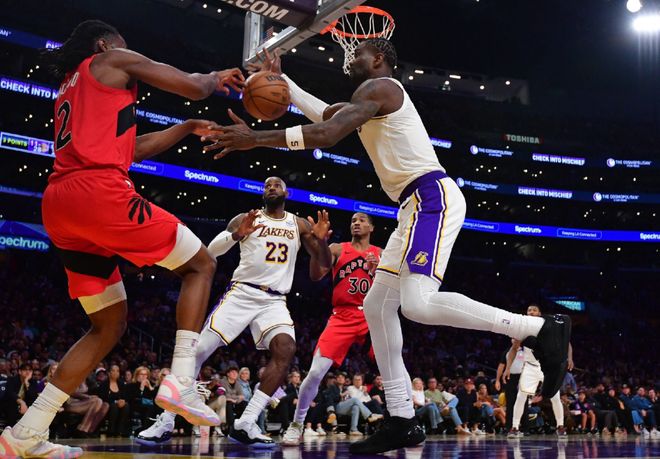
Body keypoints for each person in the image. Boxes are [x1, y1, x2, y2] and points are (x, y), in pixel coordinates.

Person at [203, 41, 572, 454]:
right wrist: (285, 81)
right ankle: (402, 419)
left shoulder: (381, 88)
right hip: (411, 207)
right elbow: (325, 115)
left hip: (431, 198)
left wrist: (255, 139)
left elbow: (326, 133)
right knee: (377, 306)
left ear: (379, 59)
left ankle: (537, 329)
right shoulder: (366, 101)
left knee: (417, 303)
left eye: (358, 52)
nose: (350, 58)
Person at [0, 19, 245, 458]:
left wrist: (187, 127)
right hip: (99, 193)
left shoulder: (73, 87)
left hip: (60, 203)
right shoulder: (111, 59)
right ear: (104, 44)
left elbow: (131, 149)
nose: (130, 54)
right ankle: (181, 379)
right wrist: (214, 77)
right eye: (124, 46)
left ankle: (26, 432)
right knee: (201, 264)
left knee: (108, 325)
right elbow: (193, 86)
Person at [137, 176, 332, 447]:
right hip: (242, 293)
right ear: (263, 193)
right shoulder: (246, 218)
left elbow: (321, 268)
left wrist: (321, 242)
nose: (271, 187)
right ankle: (166, 421)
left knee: (286, 350)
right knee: (199, 350)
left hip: (275, 300)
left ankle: (246, 423)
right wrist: (237, 234)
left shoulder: (298, 224)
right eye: (267, 185)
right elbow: (211, 251)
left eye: (276, 184)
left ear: (287, 192)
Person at [281, 212, 381, 445]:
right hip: (342, 316)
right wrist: (320, 245)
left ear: (372, 228)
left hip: (371, 316)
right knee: (316, 372)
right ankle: (297, 424)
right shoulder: (337, 248)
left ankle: (405, 420)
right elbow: (316, 275)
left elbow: (394, 288)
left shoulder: (382, 254)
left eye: (362, 220)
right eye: (353, 220)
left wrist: (378, 272)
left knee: (394, 367)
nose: (356, 223)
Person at [505, 304, 571, 438]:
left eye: (534, 310)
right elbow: (513, 349)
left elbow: (567, 343)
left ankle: (560, 426)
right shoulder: (522, 329)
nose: (531, 312)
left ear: (539, 313)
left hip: (547, 366)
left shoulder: (548, 326)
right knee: (521, 396)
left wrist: (569, 358)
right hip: (530, 367)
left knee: (555, 397)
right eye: (529, 310)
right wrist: (508, 368)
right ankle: (515, 427)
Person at [496, 340, 526, 432]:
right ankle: (509, 427)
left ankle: (525, 428)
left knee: (524, 403)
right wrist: (497, 380)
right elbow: (501, 365)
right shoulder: (507, 351)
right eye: (512, 338)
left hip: (522, 377)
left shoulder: (525, 351)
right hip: (510, 378)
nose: (514, 340)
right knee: (510, 403)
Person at [97, 365, 130, 437]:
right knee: (114, 406)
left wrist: (123, 401)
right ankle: (111, 431)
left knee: (126, 406)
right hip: (107, 405)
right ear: (109, 373)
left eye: (117, 371)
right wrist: (115, 402)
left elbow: (125, 396)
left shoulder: (121, 384)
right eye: (113, 370)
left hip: (120, 405)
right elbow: (102, 397)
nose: (116, 373)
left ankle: (120, 430)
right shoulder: (104, 384)